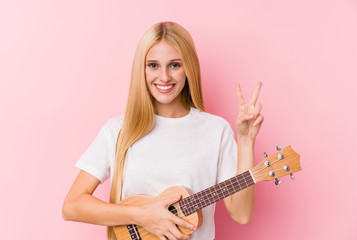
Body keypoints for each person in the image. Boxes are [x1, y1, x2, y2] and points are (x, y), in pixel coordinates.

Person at [62, 21, 264, 240]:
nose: (164, 77)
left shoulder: (216, 130)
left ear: (189, 68)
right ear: (142, 69)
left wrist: (246, 140)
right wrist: (143, 215)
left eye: (175, 65)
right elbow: (72, 206)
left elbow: (242, 214)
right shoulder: (118, 131)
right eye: (154, 65)